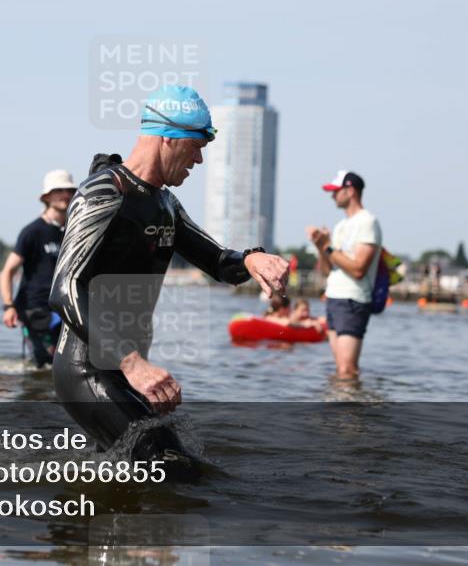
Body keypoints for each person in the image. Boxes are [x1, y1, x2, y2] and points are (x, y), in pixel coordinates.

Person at [49, 84, 290, 460]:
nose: (199, 159)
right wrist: (133, 363)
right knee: (171, 466)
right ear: (168, 137)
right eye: (196, 146)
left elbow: (217, 262)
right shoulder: (103, 193)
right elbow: (64, 288)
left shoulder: (165, 204)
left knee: (139, 474)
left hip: (127, 369)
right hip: (89, 369)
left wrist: (249, 260)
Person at [306, 170, 381, 380]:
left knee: (347, 370)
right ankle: (342, 400)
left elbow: (358, 269)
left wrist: (328, 247)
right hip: (334, 298)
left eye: (336, 191)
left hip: (352, 299)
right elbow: (327, 270)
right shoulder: (341, 226)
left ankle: (351, 402)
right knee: (341, 369)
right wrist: (321, 247)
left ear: (350, 191)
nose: (332, 196)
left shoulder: (367, 222)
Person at [0, 169, 77, 367]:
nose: (66, 195)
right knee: (43, 365)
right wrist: (8, 306)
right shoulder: (32, 232)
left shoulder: (74, 231)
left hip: (66, 309)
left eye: (70, 190)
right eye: (59, 190)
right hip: (35, 310)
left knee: (68, 366)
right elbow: (8, 271)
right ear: (46, 197)